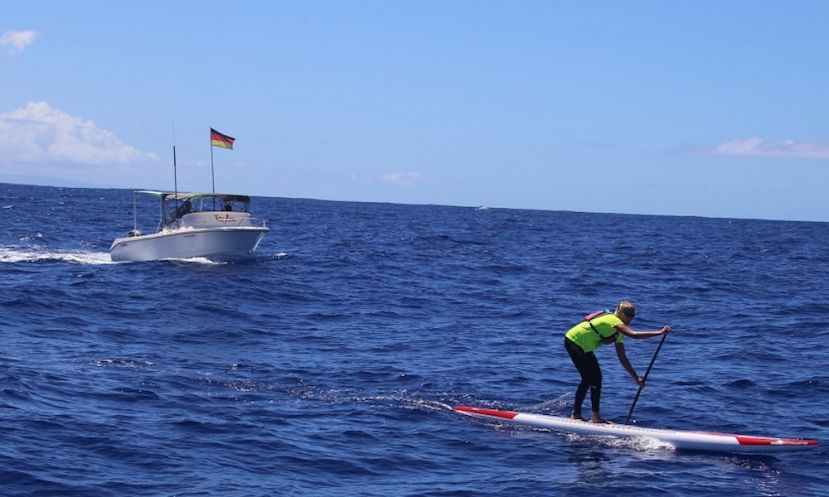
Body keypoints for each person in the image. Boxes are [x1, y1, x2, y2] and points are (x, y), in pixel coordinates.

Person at [563, 301, 671, 423]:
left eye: (632, 315)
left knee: (596, 378)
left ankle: (594, 416)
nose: (630, 318)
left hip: (585, 348)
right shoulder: (612, 320)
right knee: (588, 378)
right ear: (620, 313)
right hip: (573, 341)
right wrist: (660, 332)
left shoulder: (618, 332)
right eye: (628, 314)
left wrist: (636, 378)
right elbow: (633, 335)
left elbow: (622, 357)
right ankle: (577, 415)